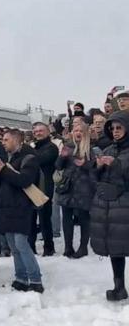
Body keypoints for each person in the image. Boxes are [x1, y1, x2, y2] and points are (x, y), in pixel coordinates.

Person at [0, 129, 44, 293]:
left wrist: (3, 171)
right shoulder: (9, 159)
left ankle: (35, 279)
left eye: (6, 139)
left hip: (21, 207)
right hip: (7, 207)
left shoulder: (29, 158)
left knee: (21, 243)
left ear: (16, 140)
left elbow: (24, 180)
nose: (3, 142)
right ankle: (21, 278)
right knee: (14, 245)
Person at [90, 110, 129, 301]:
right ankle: (119, 287)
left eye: (119, 128)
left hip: (126, 206)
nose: (115, 131)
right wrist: (97, 167)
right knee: (117, 249)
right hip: (112, 207)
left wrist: (116, 165)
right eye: (112, 128)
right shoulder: (109, 150)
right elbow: (96, 178)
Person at [55, 123, 95, 258]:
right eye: (75, 130)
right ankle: (68, 247)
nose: (78, 132)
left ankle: (83, 247)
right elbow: (58, 167)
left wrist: (85, 164)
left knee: (84, 218)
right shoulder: (68, 146)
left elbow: (96, 169)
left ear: (85, 133)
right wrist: (62, 157)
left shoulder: (90, 149)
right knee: (66, 218)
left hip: (84, 188)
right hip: (67, 187)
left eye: (81, 131)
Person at [29, 123, 58, 256]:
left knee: (44, 218)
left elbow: (39, 160)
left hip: (45, 186)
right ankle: (30, 246)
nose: (38, 133)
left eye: (41, 131)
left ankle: (49, 247)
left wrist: (29, 155)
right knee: (30, 218)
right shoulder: (34, 148)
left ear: (47, 132)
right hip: (31, 185)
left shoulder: (51, 147)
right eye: (35, 132)